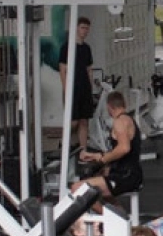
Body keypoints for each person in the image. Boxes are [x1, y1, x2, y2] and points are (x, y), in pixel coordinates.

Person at [71, 91, 142, 211]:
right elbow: (120, 150)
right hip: (128, 173)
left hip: (126, 176)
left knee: (77, 188)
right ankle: (121, 217)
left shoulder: (120, 122)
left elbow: (124, 148)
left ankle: (111, 219)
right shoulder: (128, 119)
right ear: (124, 104)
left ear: (109, 107)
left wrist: (103, 160)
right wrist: (97, 156)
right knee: (100, 186)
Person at [59, 16, 95, 153]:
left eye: (87, 29)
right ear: (76, 28)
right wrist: (66, 89)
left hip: (84, 88)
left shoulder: (87, 48)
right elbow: (62, 69)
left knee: (84, 120)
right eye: (82, 28)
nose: (85, 31)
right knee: (73, 121)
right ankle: (64, 145)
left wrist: (90, 87)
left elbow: (89, 69)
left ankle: (83, 150)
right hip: (72, 89)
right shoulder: (66, 47)